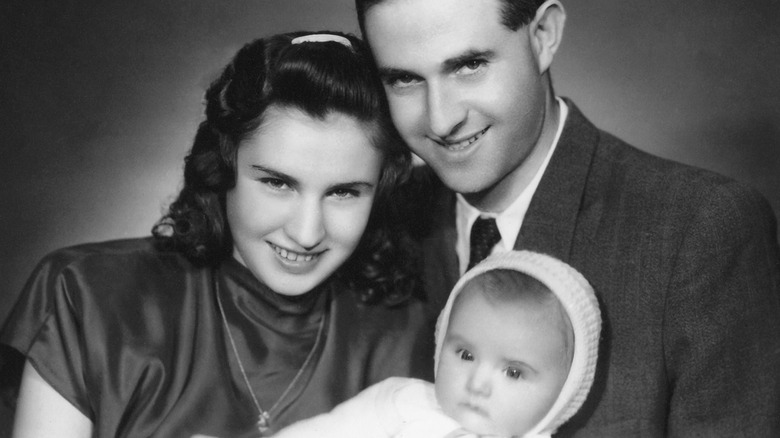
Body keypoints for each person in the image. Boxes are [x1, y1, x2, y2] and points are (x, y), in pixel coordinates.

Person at [354, 0, 780, 435]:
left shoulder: (700, 229)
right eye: (404, 79)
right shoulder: (375, 215)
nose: (441, 119)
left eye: (469, 65)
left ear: (545, 35)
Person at [0, 31, 431, 438]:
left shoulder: (405, 335)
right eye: (277, 183)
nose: (306, 232)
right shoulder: (88, 297)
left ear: (380, 191)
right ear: (224, 166)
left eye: (343, 192)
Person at [274, 250, 601, 438]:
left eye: (513, 373)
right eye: (465, 354)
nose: (477, 384)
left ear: (565, 392)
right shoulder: (404, 401)